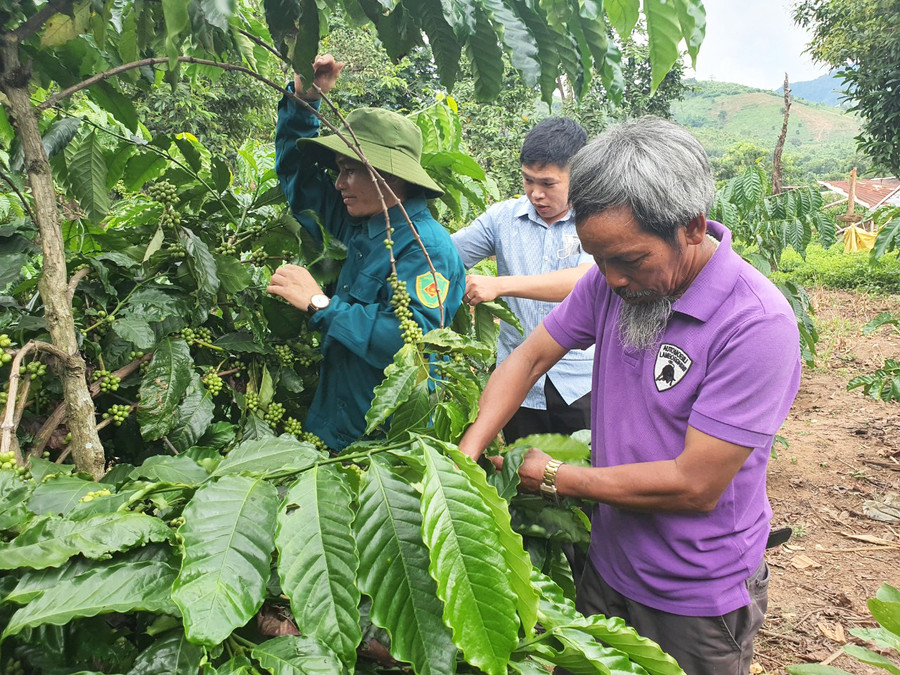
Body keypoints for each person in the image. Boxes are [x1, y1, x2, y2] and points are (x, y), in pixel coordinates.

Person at [458, 117, 802, 675]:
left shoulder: (755, 324)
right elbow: (531, 356)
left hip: (693, 595)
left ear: (691, 227)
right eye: (598, 258)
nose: (611, 279)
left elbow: (695, 484)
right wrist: (471, 448)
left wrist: (555, 478)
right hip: (609, 565)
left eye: (630, 259)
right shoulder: (612, 280)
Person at [268, 55, 465, 451]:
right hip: (332, 424)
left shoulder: (428, 248)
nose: (339, 182)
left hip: (384, 440)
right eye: (338, 169)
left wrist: (320, 304)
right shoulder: (358, 224)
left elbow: (409, 342)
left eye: (350, 170)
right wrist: (304, 103)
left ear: (389, 176)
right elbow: (299, 180)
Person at [451, 117, 594, 442]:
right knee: (521, 476)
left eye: (548, 184)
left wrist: (501, 285)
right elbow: (445, 255)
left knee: (586, 474)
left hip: (581, 383)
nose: (535, 194)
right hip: (518, 386)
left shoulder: (596, 219)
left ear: (579, 175)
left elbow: (588, 281)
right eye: (528, 181)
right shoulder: (503, 219)